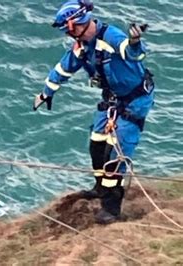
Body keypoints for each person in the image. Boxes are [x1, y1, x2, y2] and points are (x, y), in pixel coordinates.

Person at [33, 0, 155, 224]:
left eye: (68, 30)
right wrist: (46, 93)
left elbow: (132, 53)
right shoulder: (82, 46)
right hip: (111, 100)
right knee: (97, 145)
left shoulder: (112, 37)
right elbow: (63, 69)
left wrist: (135, 42)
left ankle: (111, 208)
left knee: (115, 158)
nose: (68, 36)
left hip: (134, 101)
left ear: (76, 24)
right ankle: (100, 188)